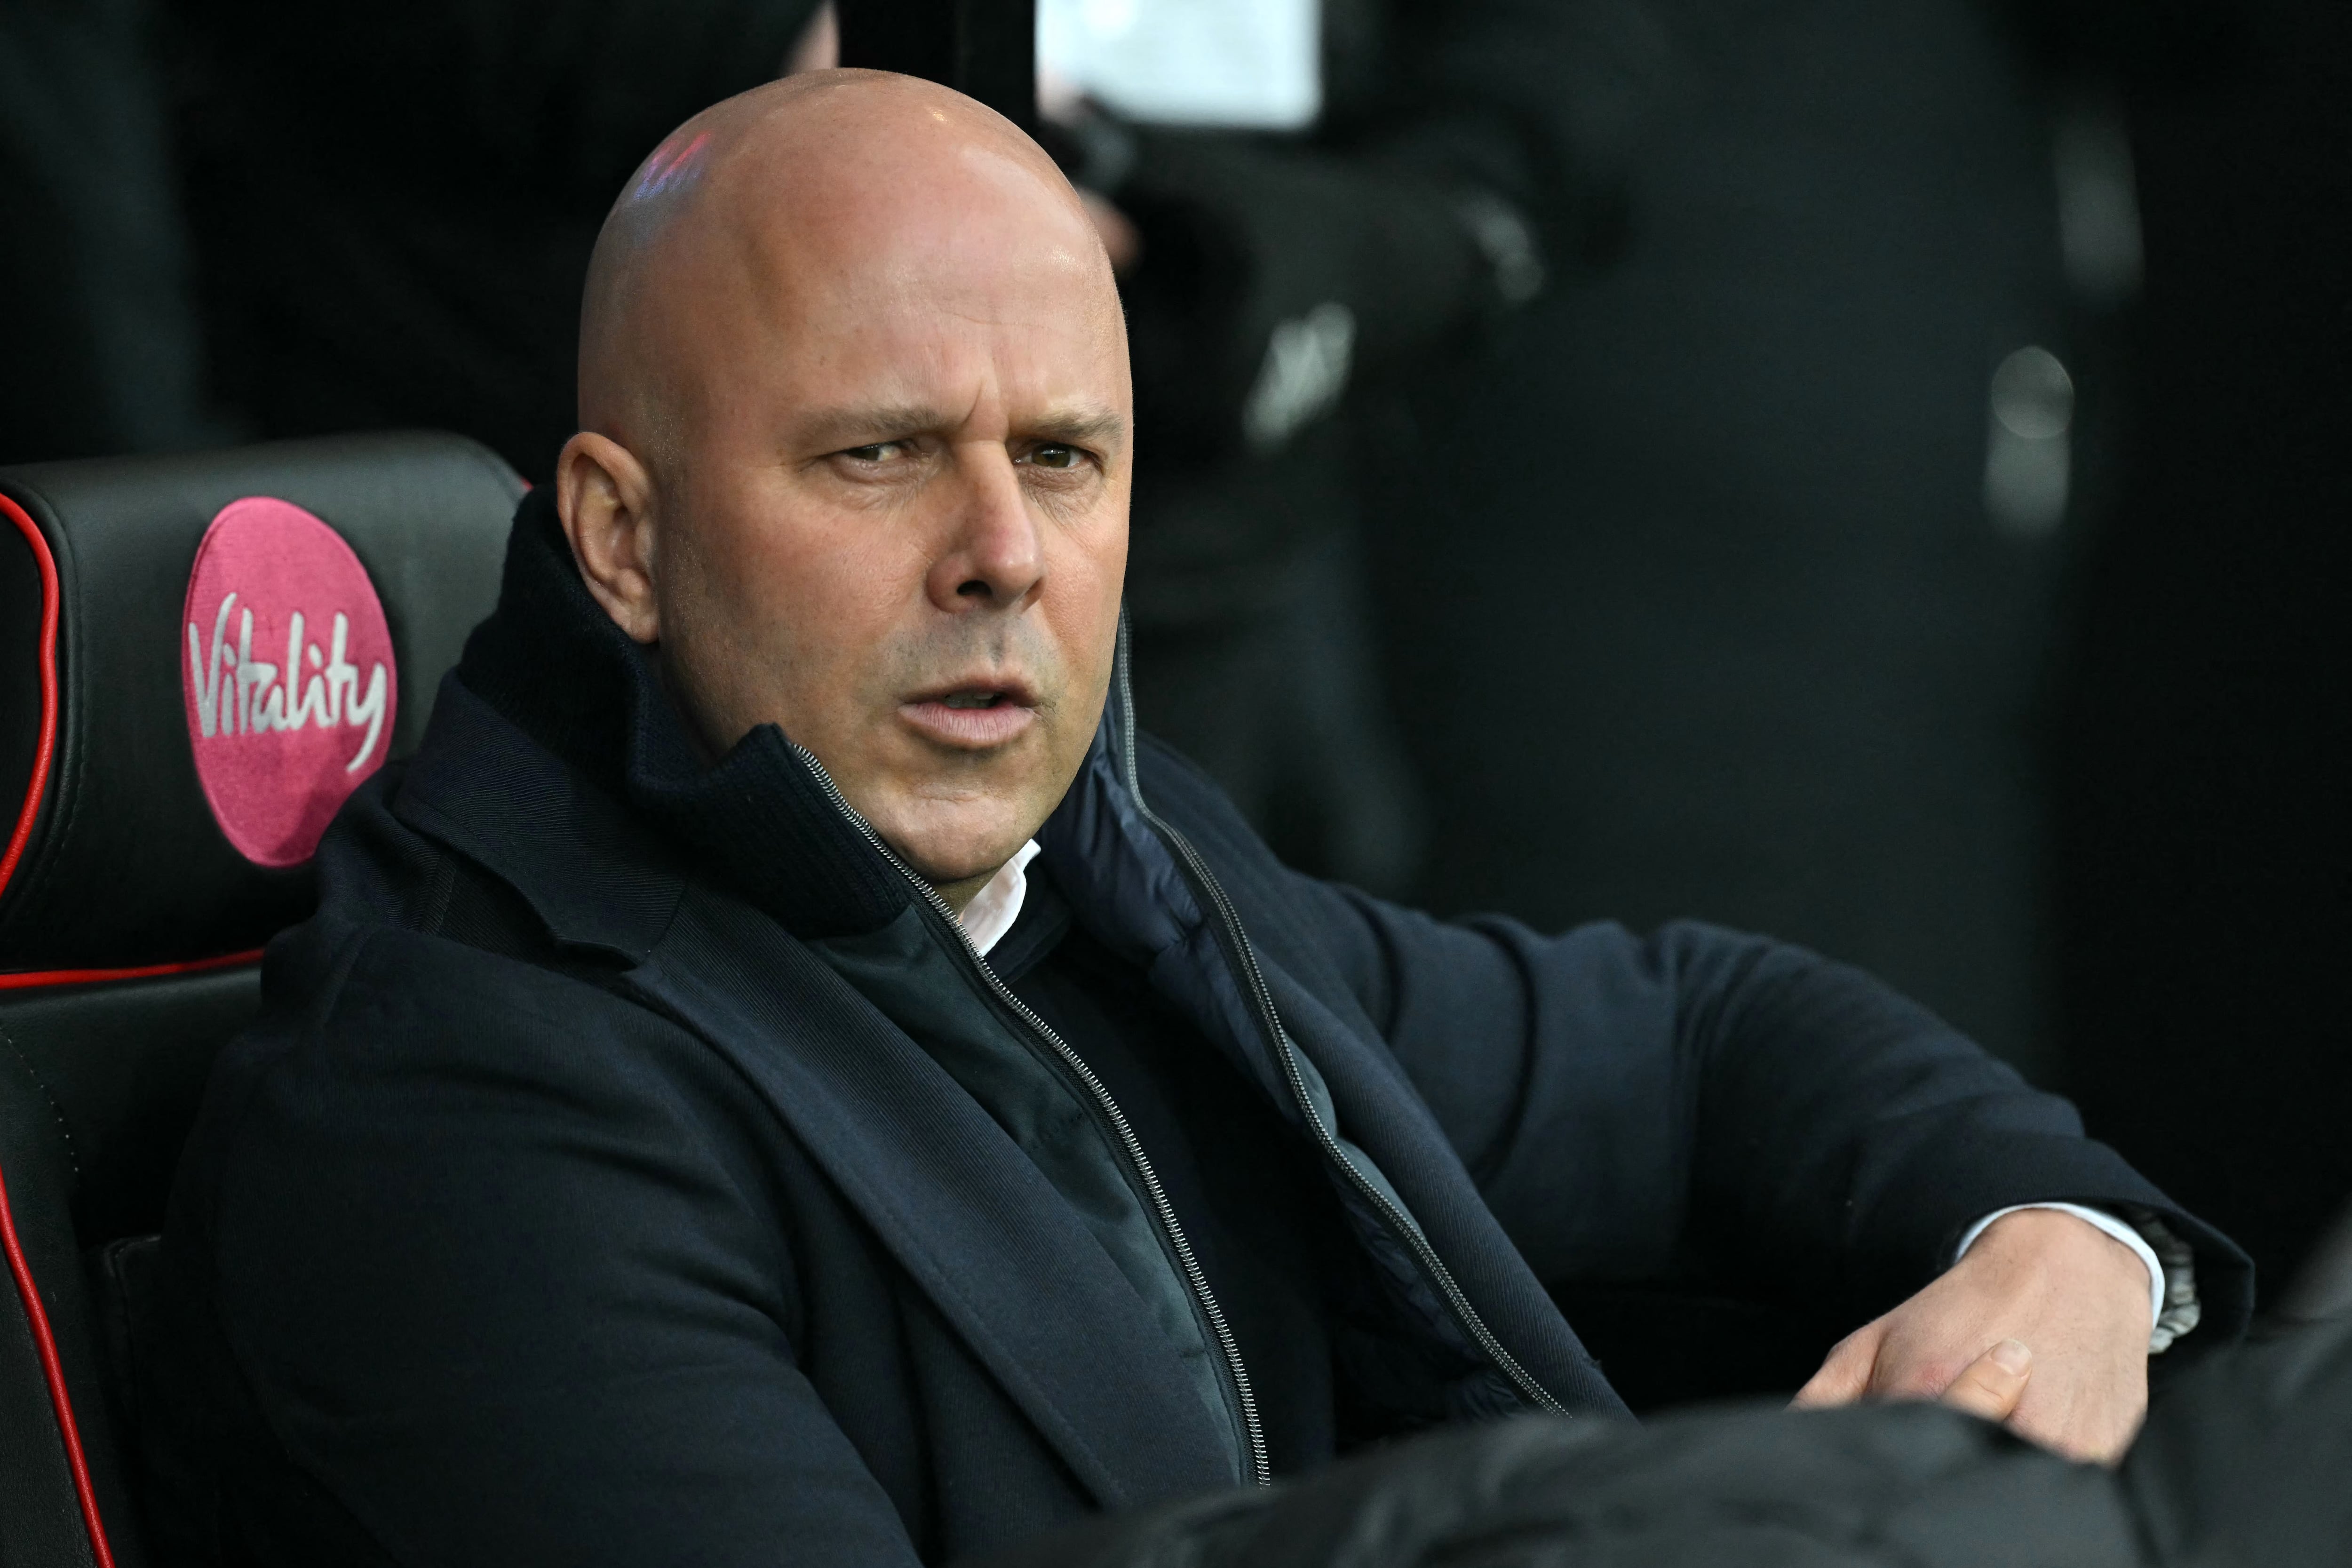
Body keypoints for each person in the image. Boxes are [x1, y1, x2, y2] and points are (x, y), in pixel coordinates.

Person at [159, 71, 2249, 1567]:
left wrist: (2061, 1255)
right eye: (881, 455)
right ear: (622, 537)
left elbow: (1698, 1037)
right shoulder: (463, 1095)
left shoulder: (1110, 875)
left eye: (1065, 459)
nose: (1003, 553)